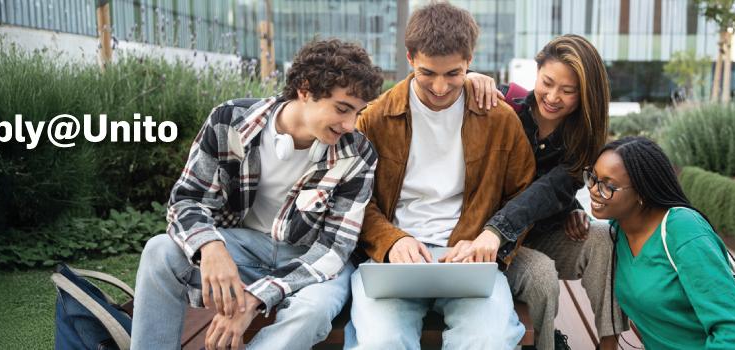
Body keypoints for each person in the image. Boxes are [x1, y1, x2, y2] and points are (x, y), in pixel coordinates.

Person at [130, 39, 383, 350]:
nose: (350, 124)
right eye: (342, 109)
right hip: (242, 248)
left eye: (358, 112)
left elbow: (334, 249)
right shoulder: (230, 121)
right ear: (305, 90)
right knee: (160, 251)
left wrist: (254, 298)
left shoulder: (358, 154)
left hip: (312, 262)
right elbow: (187, 199)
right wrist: (211, 248)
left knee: (313, 312)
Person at [343, 2, 536, 349]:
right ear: (410, 57)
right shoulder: (374, 119)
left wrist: (488, 238)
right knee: (381, 341)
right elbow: (352, 200)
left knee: (487, 341)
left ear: (470, 61)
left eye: (454, 73)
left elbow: (522, 196)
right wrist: (391, 240)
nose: (441, 87)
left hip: (467, 259)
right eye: (428, 73)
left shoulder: (498, 119)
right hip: (394, 261)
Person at [466, 34, 625, 350]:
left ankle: (609, 343)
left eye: (568, 91)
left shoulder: (582, 140)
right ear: (536, 72)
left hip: (539, 234)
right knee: (540, 275)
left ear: (585, 96)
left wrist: (569, 209)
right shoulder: (503, 105)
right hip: (488, 239)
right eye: (547, 82)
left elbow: (548, 191)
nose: (553, 97)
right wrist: (468, 78)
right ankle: (545, 342)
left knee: (602, 237)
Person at [588, 136, 735, 349]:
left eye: (608, 185)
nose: (593, 190)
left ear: (642, 192)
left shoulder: (684, 230)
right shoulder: (618, 230)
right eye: (593, 178)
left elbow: (734, 333)